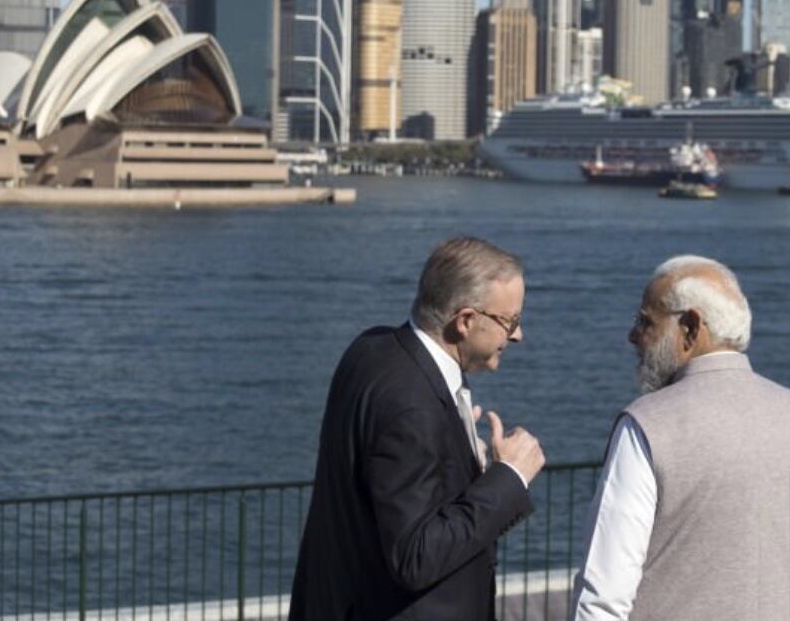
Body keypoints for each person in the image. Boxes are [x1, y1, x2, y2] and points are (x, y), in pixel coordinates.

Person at [289, 236, 546, 621]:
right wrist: (508, 479)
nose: (517, 335)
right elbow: (414, 557)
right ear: (465, 321)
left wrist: (465, 461)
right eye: (510, 321)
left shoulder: (371, 349)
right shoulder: (413, 406)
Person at [570, 256, 790, 620]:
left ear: (690, 327)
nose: (633, 336)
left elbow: (603, 595)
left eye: (645, 322)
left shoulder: (648, 423)